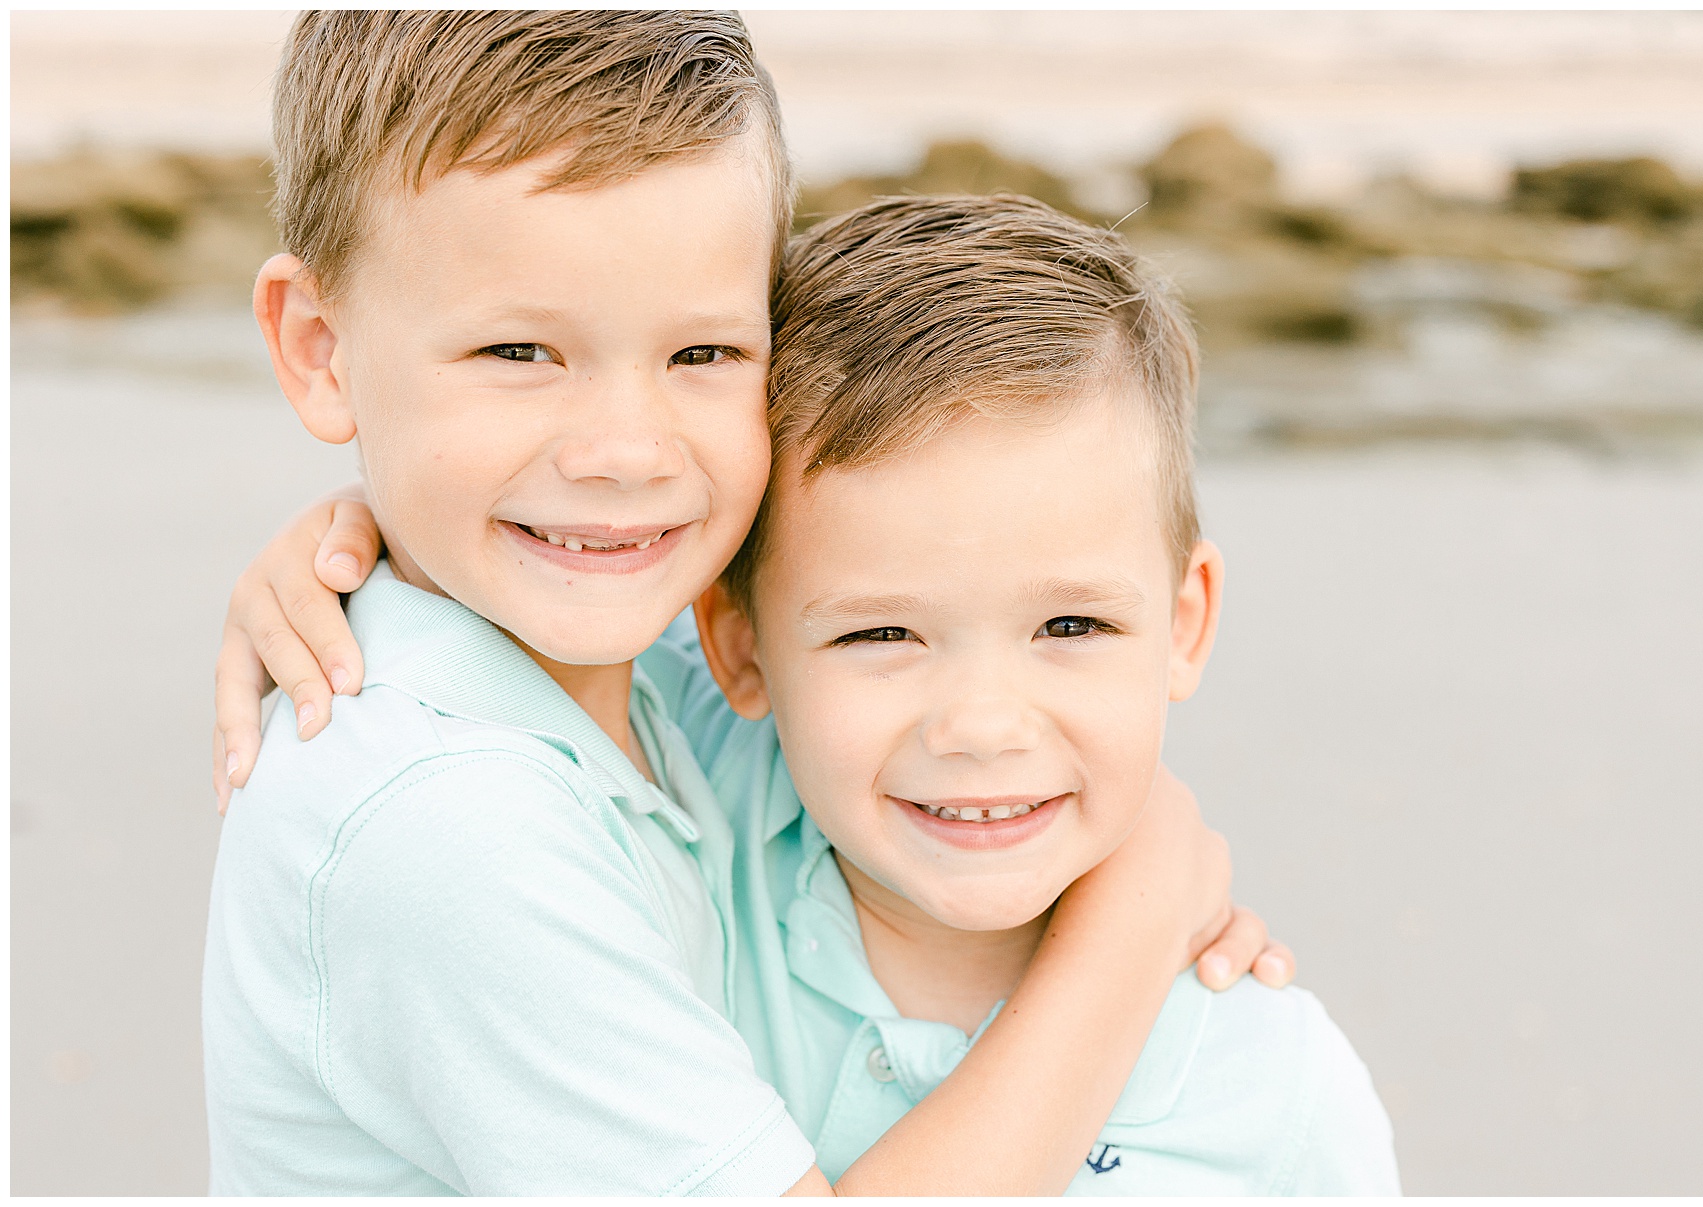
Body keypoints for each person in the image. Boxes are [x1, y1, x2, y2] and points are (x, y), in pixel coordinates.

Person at [203, 10, 1287, 1197]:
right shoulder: (449, 828)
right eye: (518, 352)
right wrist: (1129, 923)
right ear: (319, 347)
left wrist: (359, 523)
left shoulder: (648, 672)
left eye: (704, 354)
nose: (624, 452)